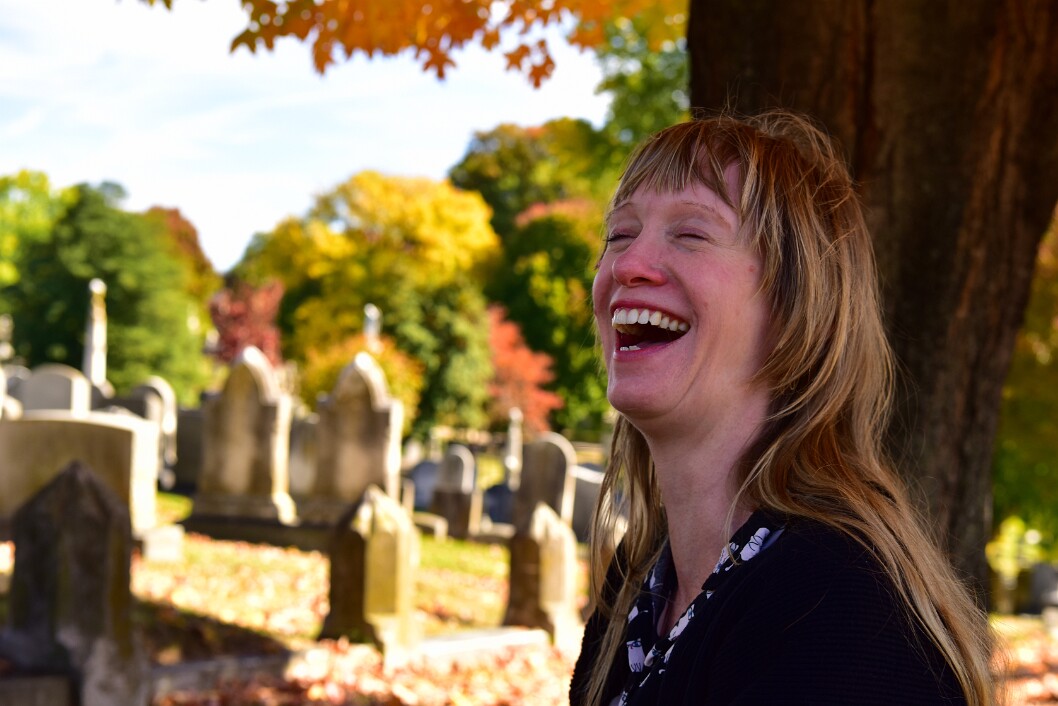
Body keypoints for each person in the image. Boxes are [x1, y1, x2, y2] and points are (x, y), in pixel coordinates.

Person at [569, 111, 997, 706]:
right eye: (618, 235)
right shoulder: (639, 590)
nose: (626, 265)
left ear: (798, 307)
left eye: (691, 234)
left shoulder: (845, 614)